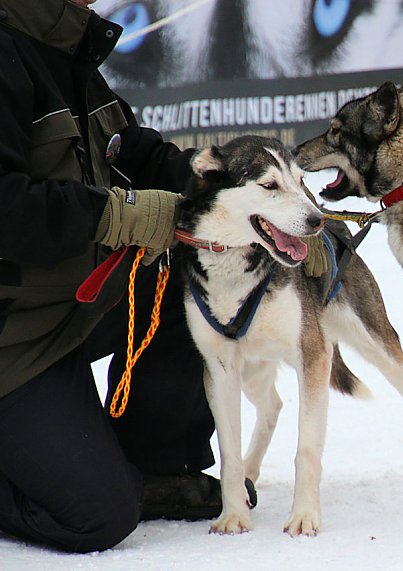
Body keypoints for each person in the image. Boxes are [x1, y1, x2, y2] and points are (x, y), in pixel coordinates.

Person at [0, 0, 221, 553]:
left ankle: (157, 466)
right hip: (12, 338)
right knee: (96, 515)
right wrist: (118, 214)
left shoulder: (65, 47)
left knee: (192, 266)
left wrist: (235, 191)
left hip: (69, 306)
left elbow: (135, 154)